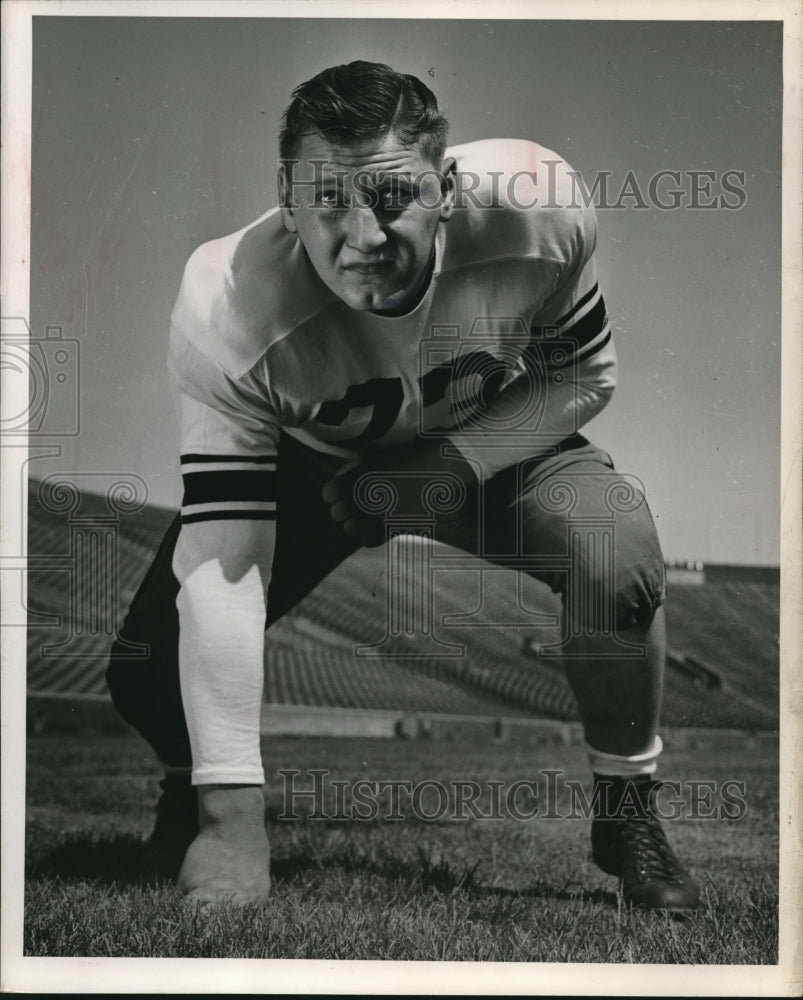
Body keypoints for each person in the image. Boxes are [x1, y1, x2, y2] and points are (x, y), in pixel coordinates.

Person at [107, 60, 700, 912]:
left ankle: (625, 807)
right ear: (284, 195)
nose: (364, 237)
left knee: (617, 548)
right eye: (328, 202)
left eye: (393, 198)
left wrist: (449, 465)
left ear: (449, 185)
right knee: (146, 668)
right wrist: (230, 820)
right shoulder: (227, 300)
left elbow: (583, 375)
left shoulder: (536, 202)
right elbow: (225, 562)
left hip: (481, 445)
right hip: (312, 467)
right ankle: (189, 787)